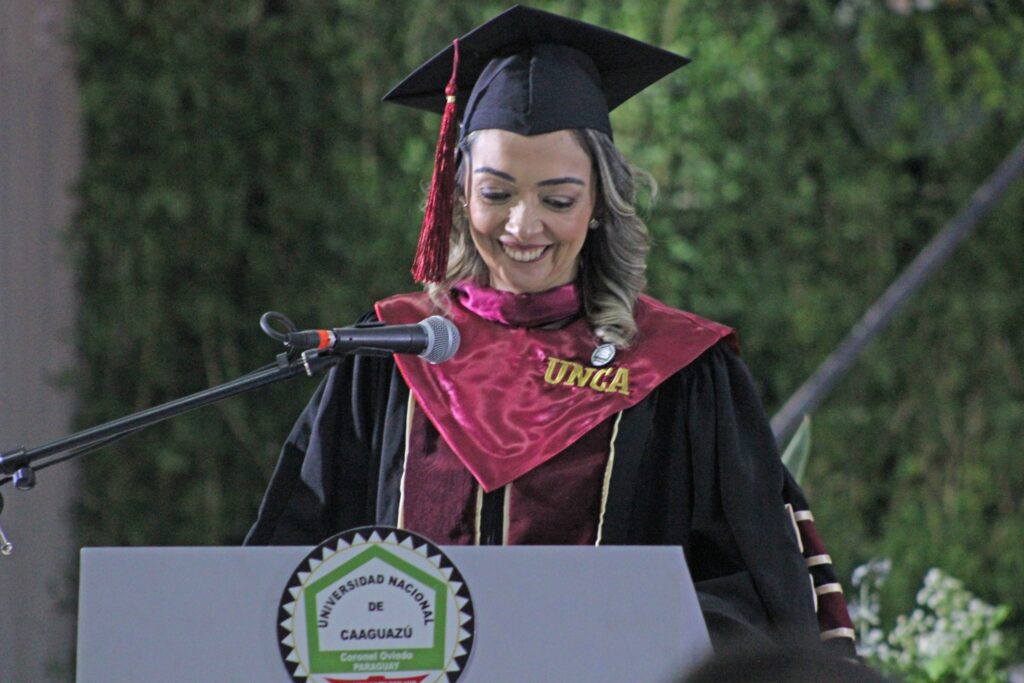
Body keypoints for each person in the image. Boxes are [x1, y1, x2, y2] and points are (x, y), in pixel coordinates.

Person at [246, 5, 855, 655]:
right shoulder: (391, 354)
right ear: (459, 195)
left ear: (598, 204)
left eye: (557, 199)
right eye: (497, 193)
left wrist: (624, 635)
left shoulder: (679, 371)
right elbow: (295, 568)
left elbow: (752, 598)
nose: (523, 225)